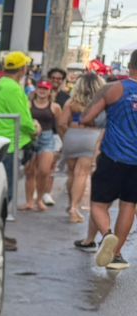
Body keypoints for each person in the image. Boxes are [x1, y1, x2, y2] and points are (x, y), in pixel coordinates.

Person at [80, 51, 137, 269]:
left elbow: (86, 117)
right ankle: (117, 255)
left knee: (98, 204)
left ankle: (106, 235)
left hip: (113, 157)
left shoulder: (114, 89)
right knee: (129, 205)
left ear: (130, 65)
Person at [0, 51, 38, 225]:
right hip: (10, 142)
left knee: (1, 187)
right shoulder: (13, 88)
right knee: (6, 189)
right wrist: (34, 129)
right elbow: (23, 117)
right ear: (22, 69)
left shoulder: (0, 84)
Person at [63, 70, 107, 235]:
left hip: (72, 136)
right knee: (82, 174)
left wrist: (65, 135)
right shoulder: (101, 103)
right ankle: (74, 208)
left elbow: (61, 122)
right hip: (91, 137)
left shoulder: (71, 102)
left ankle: (70, 204)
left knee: (71, 174)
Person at [23, 81, 64, 212]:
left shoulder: (55, 107)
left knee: (44, 171)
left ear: (49, 92)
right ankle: (29, 201)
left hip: (47, 138)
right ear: (36, 90)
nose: (42, 91)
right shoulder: (28, 104)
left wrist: (63, 142)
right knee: (30, 171)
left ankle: (39, 199)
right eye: (40, 88)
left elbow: (59, 125)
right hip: (31, 138)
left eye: (45, 89)